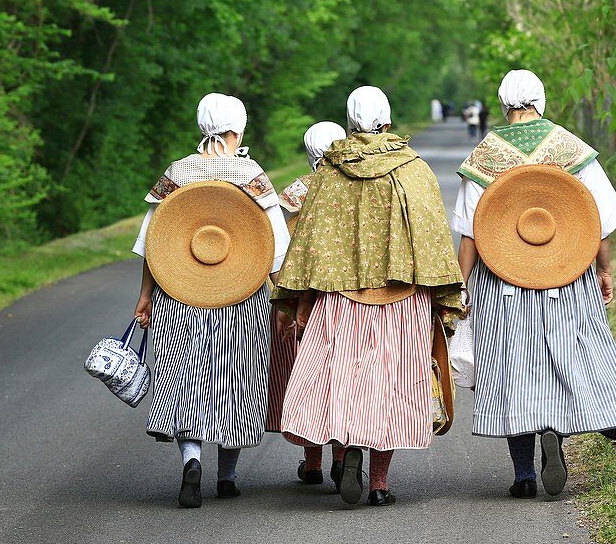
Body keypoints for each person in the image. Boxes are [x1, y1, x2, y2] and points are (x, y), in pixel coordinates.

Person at [273, 86, 464, 506]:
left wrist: (300, 301)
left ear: (349, 121)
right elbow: (431, 238)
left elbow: (309, 243)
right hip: (402, 298)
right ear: (388, 121)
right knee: (391, 384)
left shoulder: (329, 172)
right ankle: (378, 483)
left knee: (342, 379)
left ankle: (346, 451)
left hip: (339, 298)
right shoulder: (412, 169)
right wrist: (442, 297)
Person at [453, 69, 616, 499]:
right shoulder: (569, 148)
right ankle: (557, 430)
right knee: (566, 355)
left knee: (514, 369)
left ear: (503, 102)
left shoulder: (486, 155)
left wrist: (461, 288)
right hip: (567, 272)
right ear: (540, 100)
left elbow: (470, 233)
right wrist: (604, 271)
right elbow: (598, 223)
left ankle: (523, 475)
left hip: (504, 281)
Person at [132, 92, 290, 508]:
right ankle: (228, 475)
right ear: (237, 128)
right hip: (240, 293)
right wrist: (283, 296)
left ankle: (191, 457)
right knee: (236, 377)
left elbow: (153, 241)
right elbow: (275, 244)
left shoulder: (178, 172)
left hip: (180, 290)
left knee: (184, 375)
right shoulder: (250, 174)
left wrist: (145, 297)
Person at [270, 121, 347, 487]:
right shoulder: (351, 187)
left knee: (307, 378)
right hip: (343, 294)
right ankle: (342, 456)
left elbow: (282, 249)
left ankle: (312, 461)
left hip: (303, 293)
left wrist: (284, 300)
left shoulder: (297, 192)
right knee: (343, 375)